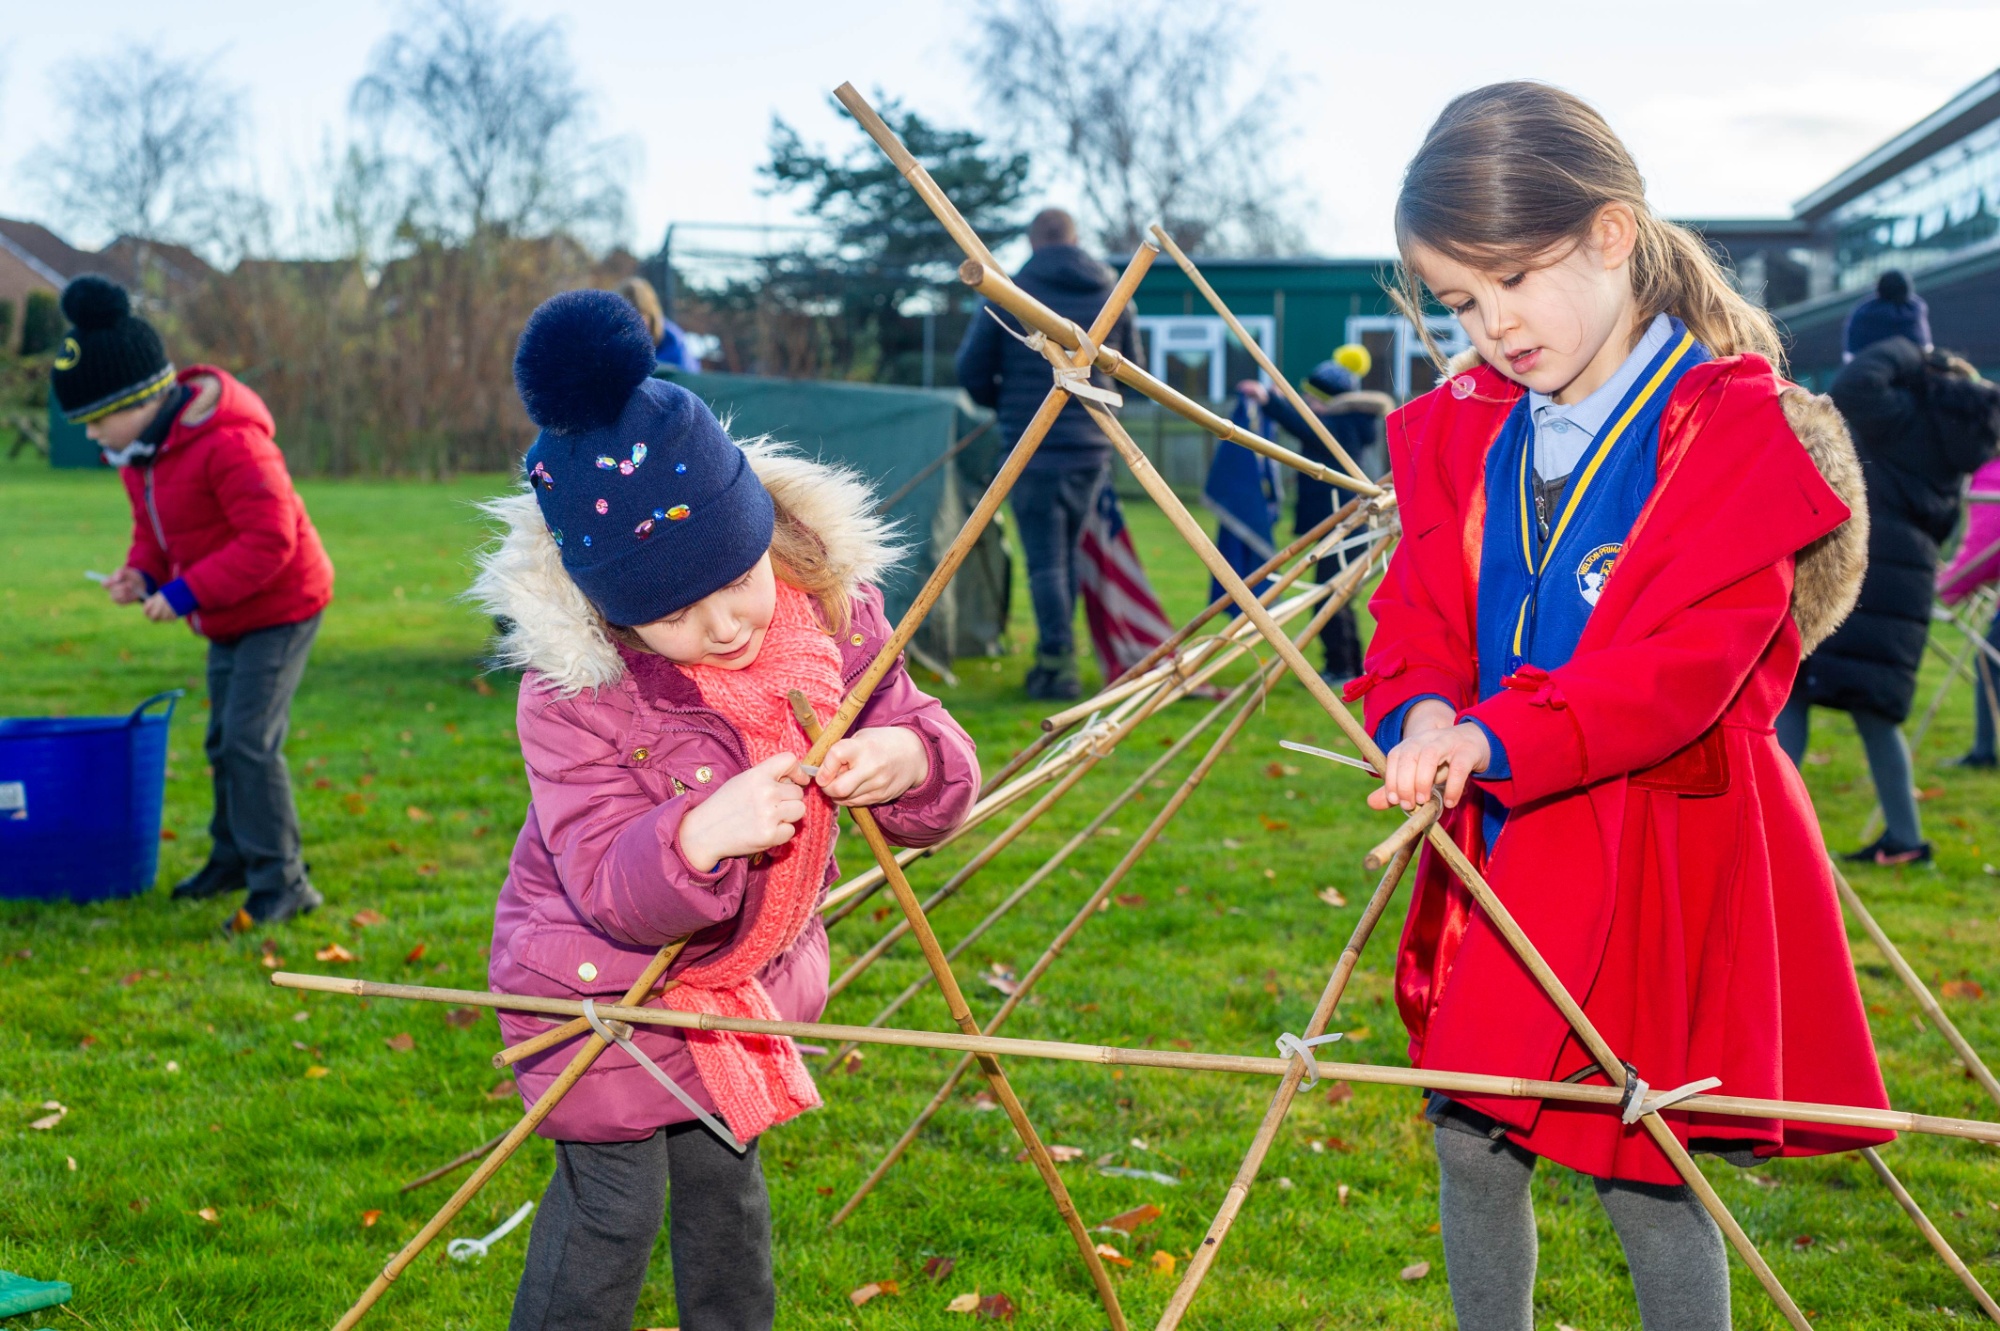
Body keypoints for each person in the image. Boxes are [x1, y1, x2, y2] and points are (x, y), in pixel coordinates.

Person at [1358, 83, 1890, 1331]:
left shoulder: (1728, 427)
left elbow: (1681, 667)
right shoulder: (1465, 434)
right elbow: (1417, 614)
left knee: (1643, 1153)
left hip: (1661, 838)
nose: (1491, 326)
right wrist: (1426, 717)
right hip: (1505, 833)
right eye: (1457, 301)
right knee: (1469, 1130)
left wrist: (1500, 731)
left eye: (1512, 280)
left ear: (1607, 235)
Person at [474, 290, 979, 1331]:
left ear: (763, 531)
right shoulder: (576, 695)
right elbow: (607, 879)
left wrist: (904, 756)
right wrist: (696, 835)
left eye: (734, 577)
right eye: (667, 611)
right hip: (599, 991)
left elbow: (937, 756)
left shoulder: (835, 621)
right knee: (612, 1210)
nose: (717, 623)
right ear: (610, 611)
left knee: (724, 1192)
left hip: (741, 983)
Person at [56, 274, 335, 929]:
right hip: (226, 611)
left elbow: (272, 540)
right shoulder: (138, 456)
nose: (95, 435)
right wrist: (140, 575)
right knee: (221, 740)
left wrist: (183, 592)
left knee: (248, 741)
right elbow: (153, 533)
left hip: (284, 604)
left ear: (140, 397)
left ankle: (284, 881)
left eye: (98, 419)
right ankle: (233, 856)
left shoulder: (231, 441)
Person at [1781, 334, 2000, 863]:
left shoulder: (1900, 416)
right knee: (1874, 711)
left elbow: (1855, 388)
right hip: (1904, 582)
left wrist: (1900, 346)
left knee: (1791, 689)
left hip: (1864, 573)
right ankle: (1904, 836)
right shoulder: (1954, 429)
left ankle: (1767, 827)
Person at [955, 207, 1141, 700]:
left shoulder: (1009, 292)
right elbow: (1133, 373)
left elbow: (971, 370)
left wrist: (1008, 403)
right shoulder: (1113, 294)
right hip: (1090, 448)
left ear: (1032, 242)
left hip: (1032, 446)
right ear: (1077, 240)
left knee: (1046, 563)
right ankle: (1061, 659)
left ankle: (1057, 667)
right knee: (1069, 556)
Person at [1235, 347, 1393, 683]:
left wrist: (1269, 401)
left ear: (1328, 399)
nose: (1306, 402)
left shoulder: (1341, 425)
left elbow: (1308, 429)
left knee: (1330, 596)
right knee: (1335, 594)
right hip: (1339, 520)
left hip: (1345, 520)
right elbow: (1309, 423)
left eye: (1310, 397)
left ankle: (1341, 665)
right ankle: (1349, 665)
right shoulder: (1344, 421)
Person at [1937, 456, 2000, 768]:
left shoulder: (1993, 475)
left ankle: (1984, 752)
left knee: (1991, 659)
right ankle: (1984, 750)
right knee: (1990, 659)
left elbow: (1987, 546)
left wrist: (1948, 585)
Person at [616, 274, 703, 373]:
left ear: (651, 315)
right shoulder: (610, 341)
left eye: (640, 313)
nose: (632, 322)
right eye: (625, 316)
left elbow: (686, 377)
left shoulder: (673, 343)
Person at [1842, 269, 1931, 362]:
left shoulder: (1865, 312)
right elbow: (1925, 350)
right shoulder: (1915, 310)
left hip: (1867, 369)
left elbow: (1851, 355)